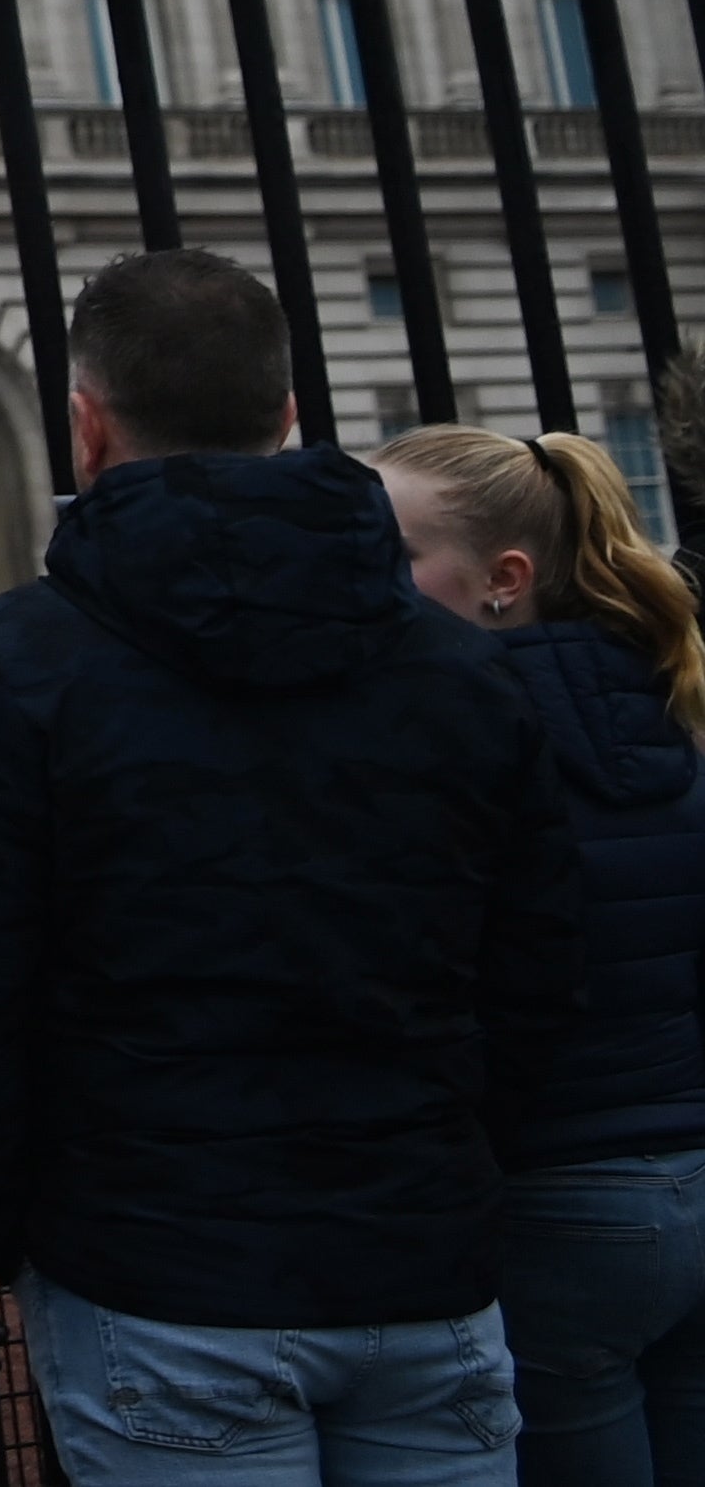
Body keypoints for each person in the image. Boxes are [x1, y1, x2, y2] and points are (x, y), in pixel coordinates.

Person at [0, 252, 579, 1487]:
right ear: (289, 418)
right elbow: (537, 973)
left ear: (88, 424)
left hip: (155, 1263)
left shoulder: (14, 662)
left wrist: (22, 1229)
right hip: (421, 1256)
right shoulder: (461, 670)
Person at [375, 421, 705, 1486]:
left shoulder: (455, 740)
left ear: (503, 579)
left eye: (398, 555)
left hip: (561, 1188)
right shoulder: (673, 705)